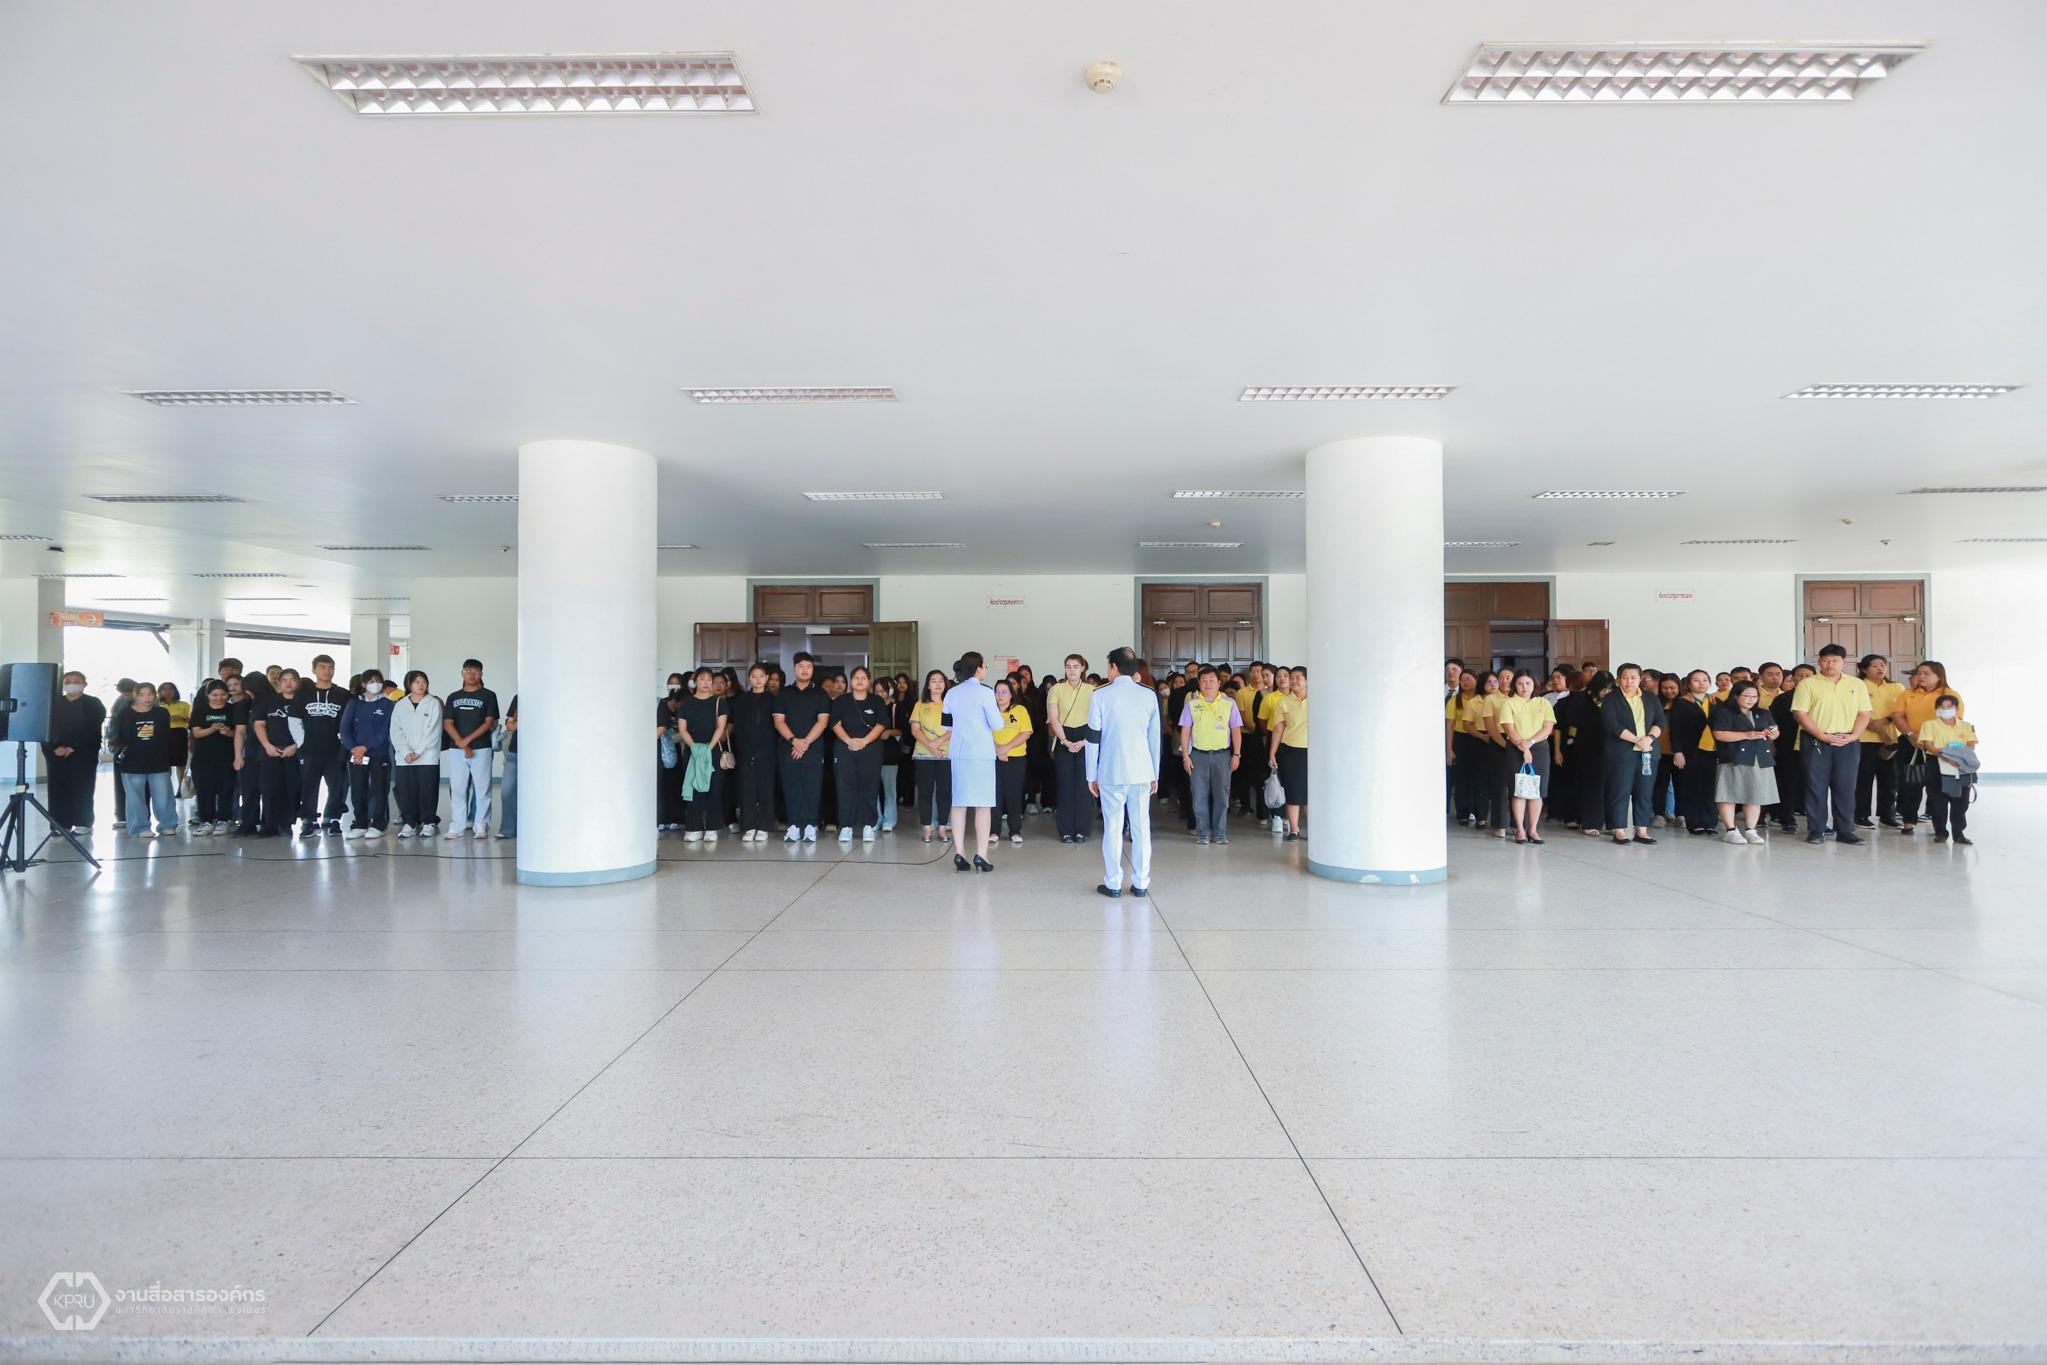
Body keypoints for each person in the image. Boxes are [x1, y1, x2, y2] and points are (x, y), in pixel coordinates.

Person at [1088, 646, 1161, 897]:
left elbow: (1093, 739)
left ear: (1113, 667)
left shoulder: (1100, 695)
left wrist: (1091, 774)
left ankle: (1113, 882)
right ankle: (1141, 882)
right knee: (1141, 828)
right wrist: (1155, 774)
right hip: (1142, 772)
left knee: (1113, 827)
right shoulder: (1148, 695)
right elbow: (1154, 739)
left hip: (1111, 772)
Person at [1790, 644, 1872, 845]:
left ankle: (1845, 831)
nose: (1830, 664)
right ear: (1819, 662)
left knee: (1845, 787)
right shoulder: (1807, 684)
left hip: (1847, 741)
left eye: (1835, 660)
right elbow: (1800, 713)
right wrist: (1822, 736)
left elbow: (1864, 713)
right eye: (1825, 660)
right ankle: (1816, 830)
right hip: (1817, 740)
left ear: (1844, 662)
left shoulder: (1857, 684)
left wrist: (1854, 736)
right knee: (1815, 787)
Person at [942, 652, 1004, 872]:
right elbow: (997, 724)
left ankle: (959, 853)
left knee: (959, 802)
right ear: (979, 669)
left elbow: (946, 725)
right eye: (984, 666)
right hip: (981, 754)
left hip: (958, 753)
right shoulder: (985, 693)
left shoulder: (951, 693)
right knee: (983, 804)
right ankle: (982, 854)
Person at [1599, 663, 1666, 845]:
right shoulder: (1611, 698)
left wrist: (1649, 738)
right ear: (1619, 679)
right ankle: (1619, 830)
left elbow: (1660, 721)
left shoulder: (1651, 698)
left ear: (1640, 678)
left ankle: (1642, 830)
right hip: (1621, 753)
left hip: (1648, 752)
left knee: (1644, 792)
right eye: (1625, 677)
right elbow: (1612, 725)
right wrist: (1638, 740)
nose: (1629, 681)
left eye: (1633, 677)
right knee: (1619, 790)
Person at [1894, 661, 1962, 836]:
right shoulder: (1907, 694)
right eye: (1919, 673)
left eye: (1926, 673)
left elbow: (1954, 721)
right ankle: (1909, 822)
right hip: (1912, 745)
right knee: (1911, 784)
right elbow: (1898, 716)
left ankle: (1937, 824)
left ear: (1939, 675)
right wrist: (1910, 734)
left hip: (1939, 748)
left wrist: (1929, 740)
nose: (1921, 676)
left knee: (1937, 787)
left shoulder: (1949, 694)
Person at [1179, 665, 1242, 845]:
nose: (1208, 684)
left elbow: (1236, 731)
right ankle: (1203, 833)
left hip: (1222, 755)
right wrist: (1186, 756)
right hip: (1198, 755)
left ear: (1219, 683)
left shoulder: (1229, 703)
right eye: (1204, 680)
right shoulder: (1192, 704)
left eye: (1212, 680)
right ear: (1199, 682)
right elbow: (1185, 731)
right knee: (1199, 795)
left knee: (1222, 795)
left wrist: (1236, 754)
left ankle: (1220, 833)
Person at [1710, 679, 1777, 846]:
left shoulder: (1763, 713)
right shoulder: (1724, 711)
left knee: (1754, 795)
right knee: (1728, 794)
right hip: (1734, 758)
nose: (1751, 699)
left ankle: (1751, 829)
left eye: (1755, 696)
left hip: (1759, 758)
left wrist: (1773, 733)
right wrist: (1746, 735)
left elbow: (1775, 733)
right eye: (1747, 695)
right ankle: (1730, 830)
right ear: (1735, 696)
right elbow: (1719, 734)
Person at [773, 652, 831, 843]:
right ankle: (793, 826)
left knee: (812, 788)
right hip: (788, 748)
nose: (805, 670)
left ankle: (809, 826)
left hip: (813, 749)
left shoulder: (820, 693)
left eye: (808, 666)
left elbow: (822, 722)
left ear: (813, 669)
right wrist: (794, 741)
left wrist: (805, 742)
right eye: (801, 666)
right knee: (791, 787)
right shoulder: (784, 692)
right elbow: (779, 721)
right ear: (794, 668)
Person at [291, 654, 351, 838]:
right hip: (309, 750)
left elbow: (347, 722)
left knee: (337, 786)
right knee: (309, 786)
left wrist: (343, 743)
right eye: (323, 667)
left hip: (334, 750)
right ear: (314, 670)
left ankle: (333, 819)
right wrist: (301, 744)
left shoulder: (343, 694)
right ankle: (309, 821)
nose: (327, 671)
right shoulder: (303, 695)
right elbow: (294, 720)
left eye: (330, 667)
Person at [828, 665, 888, 844]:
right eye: (856, 677)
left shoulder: (877, 701)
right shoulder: (841, 701)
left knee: (869, 787)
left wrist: (864, 741)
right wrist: (849, 741)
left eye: (863, 677)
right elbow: (835, 723)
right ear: (851, 681)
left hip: (870, 750)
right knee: (845, 787)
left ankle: (868, 825)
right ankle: (845, 826)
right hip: (845, 749)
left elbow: (881, 724)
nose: (860, 681)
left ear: (869, 681)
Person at [110, 683, 179, 838]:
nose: (146, 698)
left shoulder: (161, 713)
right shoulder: (124, 714)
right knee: (135, 797)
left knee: (163, 796)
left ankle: (167, 824)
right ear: (135, 696)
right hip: (132, 761)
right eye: (142, 695)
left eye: (150, 694)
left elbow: (166, 737)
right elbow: (118, 736)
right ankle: (140, 827)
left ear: (155, 695)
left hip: (158, 760)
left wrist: (168, 760)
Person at [442, 659, 500, 840]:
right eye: (468, 671)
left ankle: (481, 825)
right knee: (458, 788)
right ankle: (457, 826)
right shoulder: (453, 697)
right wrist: (461, 742)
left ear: (481, 674)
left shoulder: (489, 695)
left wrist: (467, 741)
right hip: (457, 749)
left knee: (482, 789)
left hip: (481, 748)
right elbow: (447, 722)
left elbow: (489, 722)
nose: (471, 674)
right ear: (462, 673)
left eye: (475, 671)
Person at [42, 671, 106, 836]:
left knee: (82, 787)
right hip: (56, 753)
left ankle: (83, 823)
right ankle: (59, 824)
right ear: (63, 685)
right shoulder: (54, 703)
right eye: (68, 681)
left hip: (83, 752)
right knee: (58, 788)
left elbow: (92, 729)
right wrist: (54, 747)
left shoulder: (93, 703)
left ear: (84, 684)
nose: (72, 684)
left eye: (77, 681)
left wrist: (73, 747)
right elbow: (45, 728)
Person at [338, 668, 395, 840]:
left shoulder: (387, 704)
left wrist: (365, 747)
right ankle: (360, 823)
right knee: (357, 789)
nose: (374, 684)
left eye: (377, 681)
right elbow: (344, 729)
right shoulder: (354, 704)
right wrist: (354, 749)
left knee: (379, 789)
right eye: (370, 682)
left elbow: (385, 731)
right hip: (356, 756)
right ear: (363, 684)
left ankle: (379, 823)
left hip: (379, 754)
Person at [1046, 654, 1096, 844]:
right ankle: (1065, 830)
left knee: (1083, 787)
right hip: (1063, 737)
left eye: (1076, 666)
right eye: (1068, 666)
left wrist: (1085, 741)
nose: (1072, 670)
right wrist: (1065, 741)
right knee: (1065, 786)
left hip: (1086, 738)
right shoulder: (1057, 690)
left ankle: (1082, 830)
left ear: (1083, 668)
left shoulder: (1092, 690)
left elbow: (1097, 719)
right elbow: (1053, 718)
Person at [1916, 695, 1979, 844]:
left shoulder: (1966, 725)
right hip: (1936, 763)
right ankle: (1940, 832)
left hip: (1961, 764)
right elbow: (1928, 745)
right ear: (1936, 709)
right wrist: (1945, 754)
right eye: (1941, 707)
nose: (1945, 710)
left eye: (1949, 707)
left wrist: (1954, 755)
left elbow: (1970, 745)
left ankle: (1959, 833)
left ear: (1956, 709)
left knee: (1961, 801)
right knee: (1937, 799)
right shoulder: (1929, 725)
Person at [1501, 672, 1555, 845]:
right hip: (1515, 748)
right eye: (1520, 683)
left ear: (1534, 685)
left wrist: (1529, 743)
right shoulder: (1508, 703)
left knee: (1537, 791)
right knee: (1519, 790)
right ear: (1514, 685)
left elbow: (1548, 728)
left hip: (1539, 748)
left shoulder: (1544, 702)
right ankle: (1520, 829)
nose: (1524, 687)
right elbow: (1509, 729)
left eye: (1528, 683)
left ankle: (1533, 829)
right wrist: (1523, 747)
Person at [676, 668, 728, 843]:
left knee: (714, 788)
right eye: (702, 679)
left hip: (712, 749)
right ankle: (693, 827)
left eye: (709, 679)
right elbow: (682, 729)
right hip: (692, 751)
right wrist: (695, 748)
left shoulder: (719, 702)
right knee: (693, 787)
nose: (706, 683)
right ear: (695, 681)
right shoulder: (685, 704)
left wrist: (708, 748)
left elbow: (720, 727)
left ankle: (713, 827)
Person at [728, 664, 779, 841]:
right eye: (754, 676)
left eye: (761, 676)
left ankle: (765, 826)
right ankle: (748, 826)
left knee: (765, 788)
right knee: (747, 789)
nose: (758, 679)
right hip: (746, 750)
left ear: (766, 678)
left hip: (767, 750)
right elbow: (739, 727)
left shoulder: (774, 699)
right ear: (749, 678)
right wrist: (744, 748)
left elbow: (775, 728)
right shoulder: (742, 700)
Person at [1555, 669, 1608, 835]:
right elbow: (1569, 725)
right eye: (1604, 689)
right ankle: (1585, 820)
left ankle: (1598, 821)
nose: (1606, 692)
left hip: (1605, 749)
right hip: (1581, 748)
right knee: (1581, 784)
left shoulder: (1611, 701)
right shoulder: (1581, 700)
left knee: (1600, 786)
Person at [390, 670, 443, 837]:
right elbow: (395, 730)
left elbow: (434, 731)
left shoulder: (433, 703)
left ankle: (428, 822)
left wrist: (419, 752)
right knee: (406, 791)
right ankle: (409, 823)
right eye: (417, 682)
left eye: (424, 682)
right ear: (409, 685)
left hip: (427, 756)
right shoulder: (400, 704)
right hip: (404, 758)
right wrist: (406, 751)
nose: (421, 685)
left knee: (428, 790)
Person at [1855, 654, 1905, 830]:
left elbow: (1902, 710)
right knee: (1864, 779)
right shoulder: (1857, 686)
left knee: (1890, 779)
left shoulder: (1896, 687)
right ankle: (1861, 815)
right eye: (1874, 666)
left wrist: (1885, 722)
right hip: (1864, 739)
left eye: (1882, 665)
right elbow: (1853, 710)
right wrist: (1872, 724)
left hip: (1890, 740)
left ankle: (1887, 815)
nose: (1880, 668)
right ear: (1863, 669)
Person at [1669, 669, 1720, 836]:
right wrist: (1678, 751)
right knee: (1692, 786)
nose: (1701, 683)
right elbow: (1675, 729)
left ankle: (1710, 822)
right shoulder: (1682, 703)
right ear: (1689, 684)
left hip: (1711, 749)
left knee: (1710, 787)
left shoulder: (1714, 701)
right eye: (1696, 680)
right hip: (1690, 750)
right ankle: (1695, 822)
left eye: (1705, 680)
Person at [246, 675, 297, 838]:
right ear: (279, 683)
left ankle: (286, 823)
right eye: (284, 680)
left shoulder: (302, 701)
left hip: (294, 751)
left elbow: (309, 726)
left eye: (292, 679)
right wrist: (267, 745)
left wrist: (295, 746)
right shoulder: (268, 701)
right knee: (269, 788)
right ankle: (269, 824)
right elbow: (259, 724)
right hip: (270, 751)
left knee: (291, 788)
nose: (288, 683)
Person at [185, 681, 236, 834]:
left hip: (227, 756)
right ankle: (206, 820)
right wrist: (213, 728)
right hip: (203, 757)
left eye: (222, 695)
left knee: (225, 789)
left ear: (227, 695)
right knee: (204, 789)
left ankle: (223, 819)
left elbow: (239, 733)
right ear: (208, 695)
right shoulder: (200, 710)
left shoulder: (233, 709)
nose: (219, 698)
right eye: (214, 695)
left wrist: (227, 732)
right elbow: (196, 733)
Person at [1266, 665, 1310, 841]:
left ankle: (1315, 832)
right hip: (1290, 752)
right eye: (1291, 677)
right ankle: (1294, 830)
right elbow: (1278, 730)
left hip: (1313, 753)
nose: (1293, 681)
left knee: (1310, 794)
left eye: (1298, 677)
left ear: (1307, 680)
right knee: (1293, 792)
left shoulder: (1318, 700)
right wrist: (1272, 753)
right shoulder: (1283, 702)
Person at [1768, 663, 1812, 833]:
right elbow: (1773, 724)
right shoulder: (1783, 699)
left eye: (1808, 675)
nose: (1804, 679)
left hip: (1816, 746)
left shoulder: (1820, 696)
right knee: (1788, 783)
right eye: (1800, 676)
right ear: (1793, 678)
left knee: (1814, 784)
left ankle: (1817, 819)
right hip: (1788, 747)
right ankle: (1786, 818)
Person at [910, 669, 952, 842]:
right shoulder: (920, 704)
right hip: (923, 755)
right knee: (925, 792)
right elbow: (915, 729)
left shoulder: (951, 704)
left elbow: (955, 729)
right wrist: (930, 745)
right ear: (928, 685)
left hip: (945, 755)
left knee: (944, 792)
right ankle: (927, 827)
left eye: (941, 680)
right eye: (933, 681)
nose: (937, 684)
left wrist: (938, 743)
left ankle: (942, 827)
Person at [992, 678, 1033, 845]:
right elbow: (983, 732)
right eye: (997, 692)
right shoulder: (989, 710)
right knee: (994, 794)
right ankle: (993, 831)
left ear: (1011, 694)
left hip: (1015, 758)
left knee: (1014, 794)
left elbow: (1026, 733)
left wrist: (1005, 748)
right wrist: (997, 749)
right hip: (993, 757)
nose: (1000, 695)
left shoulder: (1020, 710)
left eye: (1004, 692)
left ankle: (1014, 830)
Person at [655, 677, 686, 831]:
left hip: (677, 752)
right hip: (663, 751)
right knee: (662, 785)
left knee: (676, 785)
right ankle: (662, 818)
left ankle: (676, 817)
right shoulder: (662, 706)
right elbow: (661, 730)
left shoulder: (680, 709)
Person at [105, 677, 136, 829]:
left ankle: (139, 816)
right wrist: (112, 739)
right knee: (120, 784)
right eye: (124, 693)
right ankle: (122, 816)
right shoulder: (120, 702)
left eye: (129, 693)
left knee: (139, 786)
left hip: (140, 749)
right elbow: (113, 722)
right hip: (120, 748)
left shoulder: (147, 700)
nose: (127, 696)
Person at [157, 681, 190, 802]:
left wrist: (182, 718)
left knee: (180, 763)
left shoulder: (184, 705)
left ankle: (180, 789)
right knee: (166, 764)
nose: (168, 691)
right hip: (163, 734)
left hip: (179, 733)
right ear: (160, 692)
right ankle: (167, 790)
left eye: (171, 689)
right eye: (164, 689)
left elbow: (191, 721)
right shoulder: (158, 706)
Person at [496, 696, 518, 840]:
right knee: (506, 791)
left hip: (539, 754)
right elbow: (510, 724)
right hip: (515, 752)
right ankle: (507, 830)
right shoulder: (518, 698)